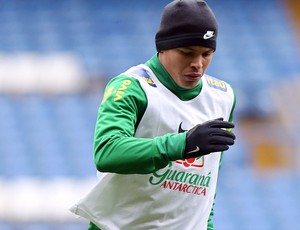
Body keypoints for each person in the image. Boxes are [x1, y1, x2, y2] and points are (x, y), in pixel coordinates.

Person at [70, 0, 236, 229]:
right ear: (163, 47)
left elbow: (209, 186)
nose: (198, 64)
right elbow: (107, 152)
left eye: (207, 54)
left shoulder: (223, 96)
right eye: (187, 53)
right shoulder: (132, 86)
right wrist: (183, 144)